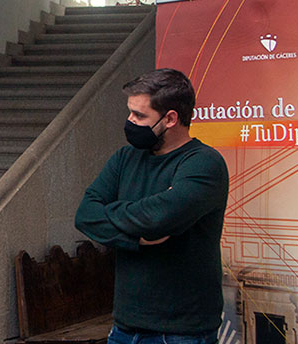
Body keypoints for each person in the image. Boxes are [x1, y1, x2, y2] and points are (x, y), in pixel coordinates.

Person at [74, 69, 229, 344]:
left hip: (182, 333)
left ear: (170, 118)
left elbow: (160, 218)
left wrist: (119, 213)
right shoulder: (124, 158)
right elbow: (86, 215)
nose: (130, 121)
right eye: (130, 112)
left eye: (140, 116)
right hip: (124, 327)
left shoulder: (204, 164)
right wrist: (138, 238)